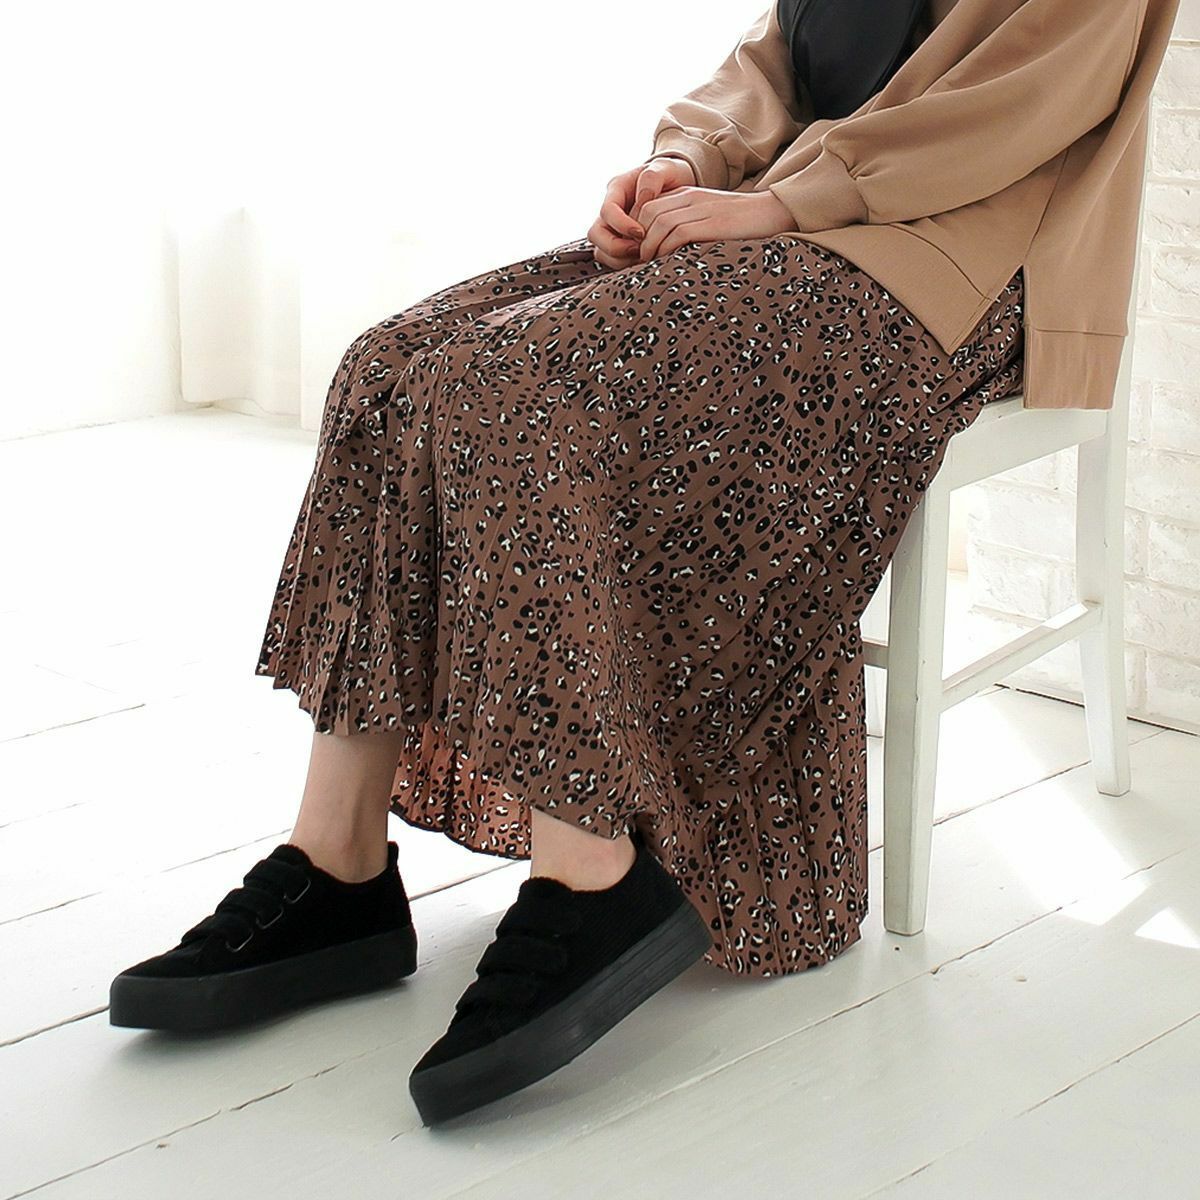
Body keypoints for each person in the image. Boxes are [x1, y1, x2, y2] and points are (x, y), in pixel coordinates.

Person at [108, 0, 1151, 1127]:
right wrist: (683, 164)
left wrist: (780, 201)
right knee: (389, 368)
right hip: (787, 218)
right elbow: (780, 54)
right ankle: (338, 865)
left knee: (525, 390)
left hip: (951, 263)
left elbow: (1024, 99)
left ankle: (591, 869)